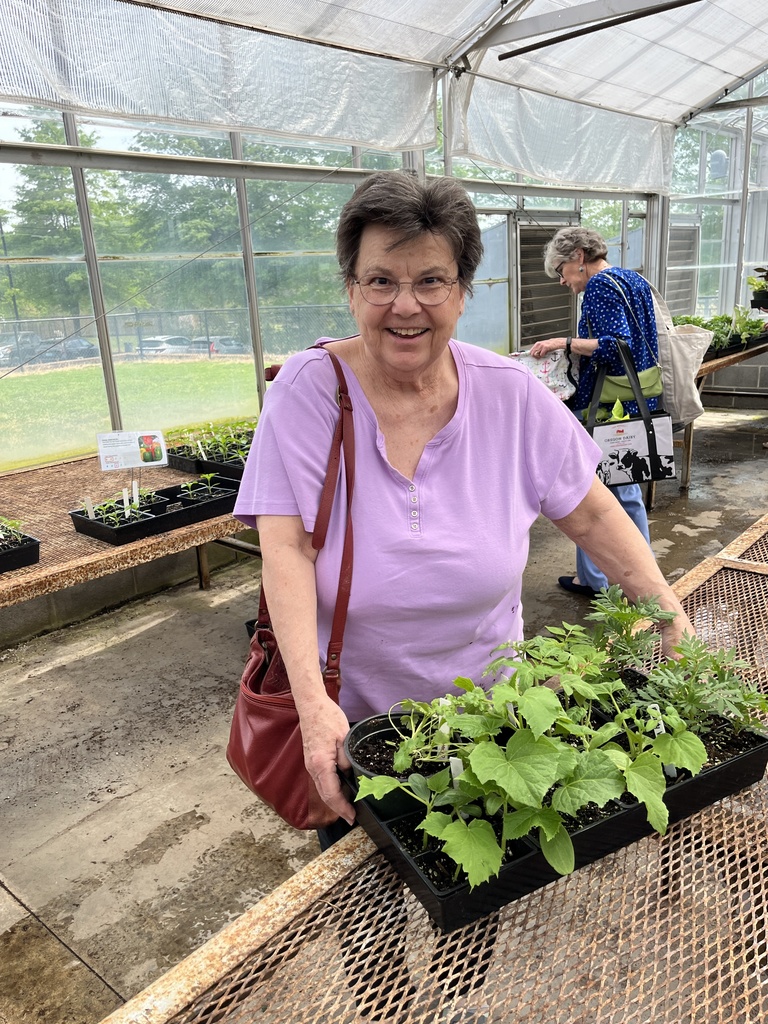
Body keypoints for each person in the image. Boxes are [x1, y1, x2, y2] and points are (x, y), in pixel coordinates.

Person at [233, 173, 694, 839]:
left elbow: (591, 513)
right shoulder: (306, 392)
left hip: (493, 726)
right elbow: (288, 549)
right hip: (360, 733)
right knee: (369, 911)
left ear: (462, 290)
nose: (405, 305)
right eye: (381, 281)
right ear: (352, 288)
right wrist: (311, 706)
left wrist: (665, 608)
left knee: (477, 903)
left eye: (431, 281)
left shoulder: (510, 395)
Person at [529, 226, 662, 600]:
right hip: (636, 399)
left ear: (579, 257)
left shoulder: (599, 287)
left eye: (561, 270)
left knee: (592, 491)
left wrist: (565, 341)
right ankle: (630, 578)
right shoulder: (631, 279)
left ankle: (612, 583)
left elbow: (616, 345)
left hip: (609, 404)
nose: (561, 280)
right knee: (626, 487)